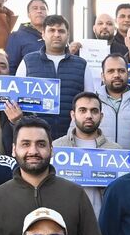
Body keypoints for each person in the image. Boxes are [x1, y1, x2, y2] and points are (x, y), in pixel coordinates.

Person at [52, 91, 121, 219]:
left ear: (101, 116)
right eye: (82, 110)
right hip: (64, 221)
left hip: (101, 221)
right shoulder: (56, 147)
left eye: (94, 111)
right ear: (73, 115)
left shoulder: (116, 151)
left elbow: (121, 193)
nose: (88, 115)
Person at [20, 15, 88, 140]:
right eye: (51, 30)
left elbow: (89, 101)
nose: (56, 34)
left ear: (68, 35)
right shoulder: (28, 61)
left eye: (61, 31)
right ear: (43, 34)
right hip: (36, 136)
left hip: (72, 137)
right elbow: (17, 99)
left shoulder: (82, 65)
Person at [95, 54, 130, 146]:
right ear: (103, 76)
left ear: (128, 74)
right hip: (100, 155)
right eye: (111, 71)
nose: (116, 75)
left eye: (121, 71)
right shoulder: (91, 102)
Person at [6, 0, 48, 76]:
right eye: (35, 8)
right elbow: (10, 66)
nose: (39, 11)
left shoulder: (54, 36)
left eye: (43, 8)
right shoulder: (17, 36)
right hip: (28, 82)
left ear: (47, 13)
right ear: (29, 14)